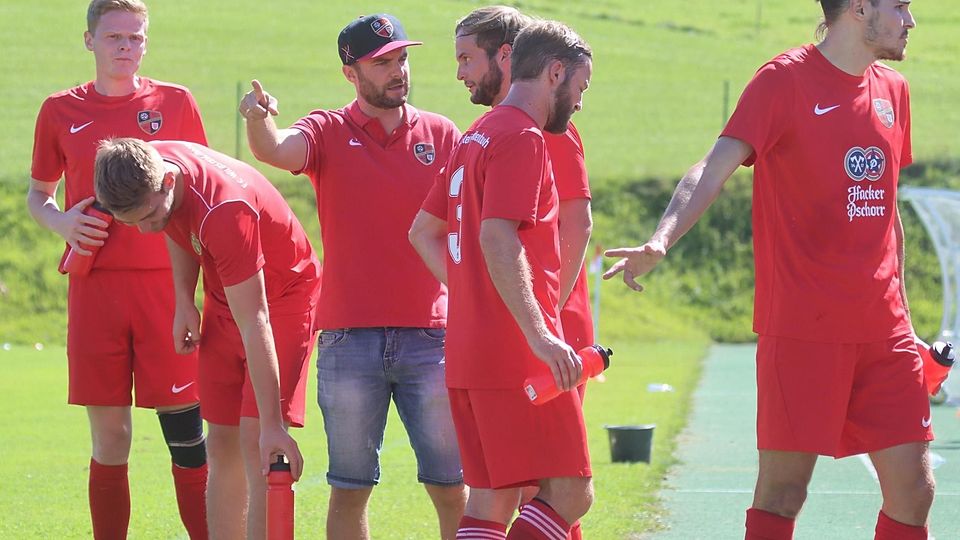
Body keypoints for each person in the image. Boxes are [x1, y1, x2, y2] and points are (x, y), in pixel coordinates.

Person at [603, 1, 933, 539]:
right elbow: (713, 166)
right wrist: (661, 240)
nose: (910, 21)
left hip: (885, 332)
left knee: (915, 493)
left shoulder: (894, 89)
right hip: (804, 329)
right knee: (782, 495)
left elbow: (886, 209)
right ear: (859, 9)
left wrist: (908, 322)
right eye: (899, 6)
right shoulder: (783, 82)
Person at [238, 13, 466, 539]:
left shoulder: (443, 133)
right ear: (351, 72)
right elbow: (275, 149)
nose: (398, 71)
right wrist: (258, 119)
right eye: (382, 63)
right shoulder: (327, 130)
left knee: (452, 487)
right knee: (349, 488)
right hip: (347, 340)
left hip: (432, 336)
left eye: (402, 59)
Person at [27, 1, 208, 537]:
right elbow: (39, 196)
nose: (125, 46)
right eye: (113, 37)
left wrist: (192, 294)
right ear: (90, 42)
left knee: (185, 432)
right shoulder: (59, 110)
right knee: (110, 439)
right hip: (95, 291)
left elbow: (199, 191)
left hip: (165, 287)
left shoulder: (175, 102)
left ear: (146, 42)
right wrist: (61, 224)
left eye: (134, 37)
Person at [409, 19, 594, 539]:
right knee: (570, 492)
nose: (578, 102)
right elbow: (497, 237)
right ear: (555, 73)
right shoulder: (524, 138)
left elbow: (422, 234)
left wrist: (474, 298)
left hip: (470, 351)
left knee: (492, 499)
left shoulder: (476, 134)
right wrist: (540, 332)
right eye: (579, 88)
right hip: (516, 352)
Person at [93, 138, 320, 539]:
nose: (145, 229)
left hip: (281, 297)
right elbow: (175, 224)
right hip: (224, 291)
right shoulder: (151, 165)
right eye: (132, 223)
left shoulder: (224, 211)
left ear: (167, 181)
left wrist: (272, 425)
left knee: (257, 443)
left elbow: (256, 320)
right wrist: (184, 299)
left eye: (147, 216)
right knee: (221, 442)